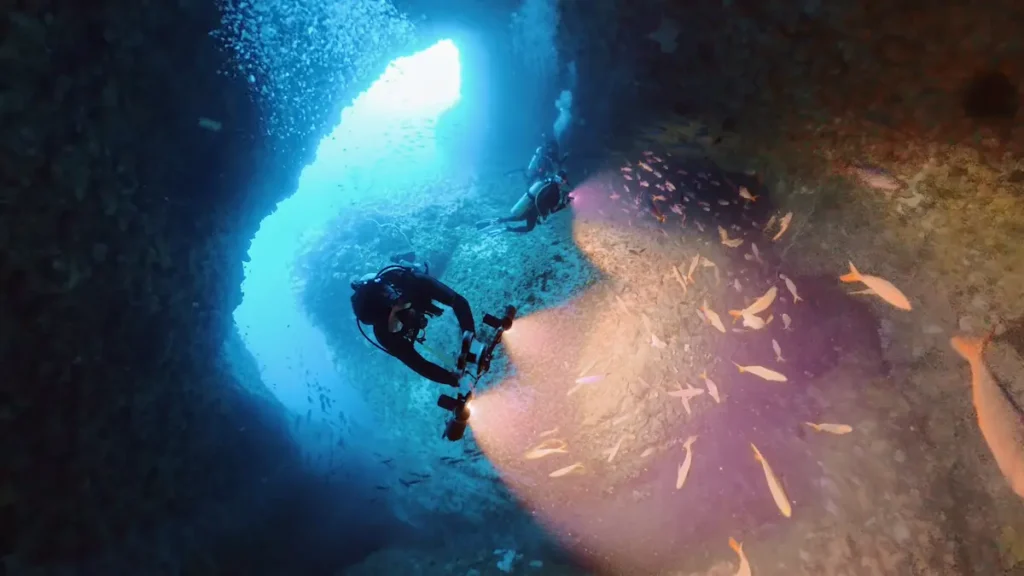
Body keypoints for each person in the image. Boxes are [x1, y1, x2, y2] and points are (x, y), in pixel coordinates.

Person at [350, 265, 475, 387]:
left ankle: (469, 341)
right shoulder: (385, 334)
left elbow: (420, 365)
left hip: (415, 292)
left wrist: (451, 378)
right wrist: (452, 379)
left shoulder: (413, 284)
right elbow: (419, 365)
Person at [477, 170, 574, 235]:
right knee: (529, 228)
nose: (564, 183)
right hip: (534, 211)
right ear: (561, 181)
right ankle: (508, 229)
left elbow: (543, 198)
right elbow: (552, 209)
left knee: (518, 218)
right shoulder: (555, 192)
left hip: (529, 205)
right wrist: (564, 204)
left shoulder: (549, 182)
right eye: (564, 182)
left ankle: (499, 220)